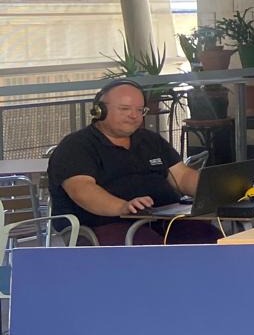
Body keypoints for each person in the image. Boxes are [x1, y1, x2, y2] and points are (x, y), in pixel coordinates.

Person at [47, 81, 216, 245]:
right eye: (124, 109)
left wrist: (215, 190)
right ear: (99, 111)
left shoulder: (150, 140)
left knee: (210, 237)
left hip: (162, 220)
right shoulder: (76, 146)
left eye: (139, 110)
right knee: (150, 250)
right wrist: (122, 206)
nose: (134, 115)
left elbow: (182, 176)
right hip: (105, 226)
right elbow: (82, 190)